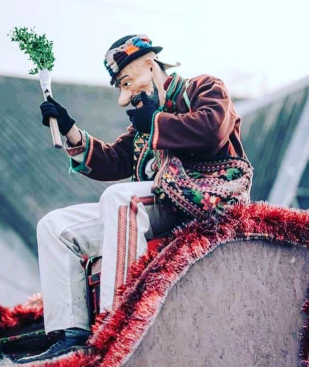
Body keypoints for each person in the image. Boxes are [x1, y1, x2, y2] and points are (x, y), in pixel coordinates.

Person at [16, 34, 252, 363]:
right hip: (158, 208)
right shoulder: (143, 118)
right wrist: (70, 130)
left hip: (207, 203)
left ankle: (116, 326)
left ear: (150, 66)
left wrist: (157, 123)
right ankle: (71, 335)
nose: (123, 98)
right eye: (119, 88)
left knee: (120, 199)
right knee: (54, 226)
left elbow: (211, 130)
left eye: (126, 83)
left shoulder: (204, 88)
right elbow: (115, 160)